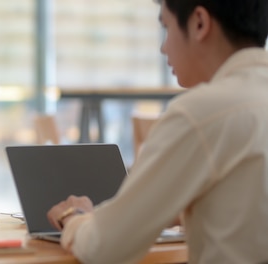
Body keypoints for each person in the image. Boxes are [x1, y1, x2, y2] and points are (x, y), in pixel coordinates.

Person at [46, 0, 268, 263]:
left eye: (166, 27)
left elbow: (104, 248)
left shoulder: (199, 113)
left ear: (199, 23)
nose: (164, 47)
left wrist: (75, 218)